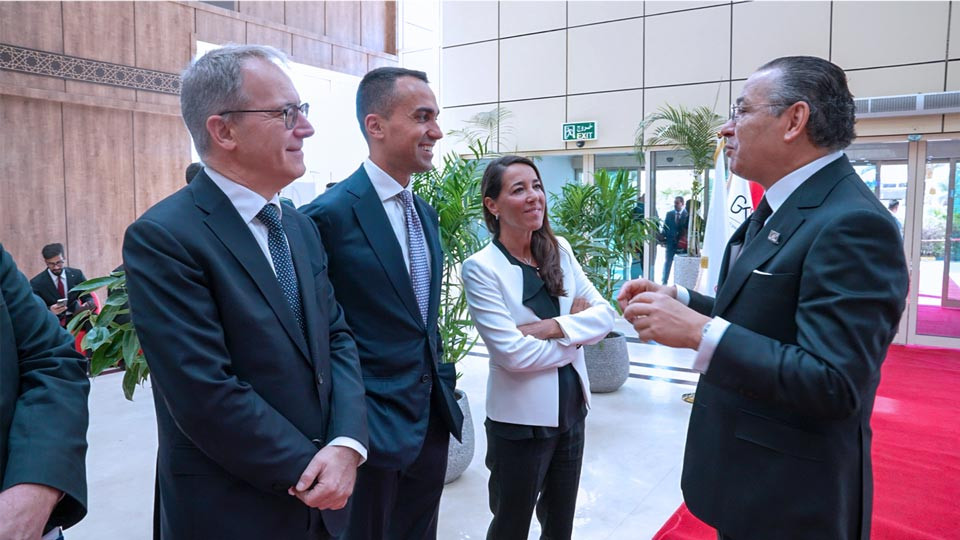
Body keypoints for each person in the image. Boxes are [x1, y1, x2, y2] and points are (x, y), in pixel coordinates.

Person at [618, 56, 909, 540]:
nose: (726, 130)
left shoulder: (853, 223)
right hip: (751, 480)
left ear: (794, 120)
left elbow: (834, 382)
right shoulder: (784, 204)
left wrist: (697, 332)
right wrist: (684, 299)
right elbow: (764, 315)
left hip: (792, 499)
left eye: (741, 111)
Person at [122, 44, 368, 540]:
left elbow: (336, 338)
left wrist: (346, 444)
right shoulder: (165, 237)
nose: (306, 128)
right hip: (232, 508)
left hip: (326, 500)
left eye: (303, 111)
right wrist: (311, 469)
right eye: (285, 113)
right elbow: (203, 390)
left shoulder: (297, 227)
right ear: (223, 130)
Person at [299, 66, 463, 540]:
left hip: (429, 422)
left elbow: (419, 322)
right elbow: (320, 334)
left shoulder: (424, 214)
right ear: (376, 125)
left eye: (436, 117)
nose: (436, 131)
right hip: (367, 430)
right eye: (423, 117)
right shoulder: (326, 218)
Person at [462, 156, 615, 540]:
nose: (534, 197)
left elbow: (605, 315)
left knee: (560, 523)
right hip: (520, 423)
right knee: (511, 525)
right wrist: (577, 339)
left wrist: (551, 328)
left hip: (571, 410)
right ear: (492, 205)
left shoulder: (558, 249)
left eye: (536, 186)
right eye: (518, 189)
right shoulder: (481, 268)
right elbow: (513, 355)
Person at [0, 243, 89, 540]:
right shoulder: (38, 283)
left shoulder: (75, 274)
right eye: (51, 262)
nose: (57, 265)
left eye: (59, 260)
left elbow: (52, 358)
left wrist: (36, 487)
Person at [30, 243, 94, 326]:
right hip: (52, 320)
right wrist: (49, 310)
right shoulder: (36, 283)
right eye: (51, 264)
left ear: (64, 258)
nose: (56, 267)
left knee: (93, 321)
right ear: (46, 262)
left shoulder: (77, 274)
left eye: (59, 262)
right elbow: (34, 309)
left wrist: (87, 304)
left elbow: (88, 296)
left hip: (76, 316)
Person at [660, 196, 687, 284]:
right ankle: (664, 280)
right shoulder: (669, 214)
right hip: (670, 242)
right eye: (674, 203)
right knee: (668, 262)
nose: (675, 205)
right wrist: (663, 239)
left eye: (677, 203)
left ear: (682, 204)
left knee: (680, 263)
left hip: (681, 244)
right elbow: (665, 227)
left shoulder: (686, 215)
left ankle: (680, 282)